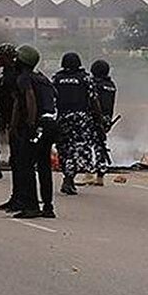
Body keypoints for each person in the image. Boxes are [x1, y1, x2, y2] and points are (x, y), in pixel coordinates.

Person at [10, 45, 57, 219]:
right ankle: (48, 207)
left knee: (26, 165)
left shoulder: (24, 78)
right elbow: (54, 97)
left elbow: (29, 98)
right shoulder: (43, 78)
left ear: (22, 61)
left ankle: (31, 206)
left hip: (38, 125)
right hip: (51, 123)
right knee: (44, 165)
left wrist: (29, 124)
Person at [52, 52, 98, 195]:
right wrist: (99, 120)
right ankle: (69, 178)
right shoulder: (85, 78)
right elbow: (94, 100)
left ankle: (68, 176)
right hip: (81, 119)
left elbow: (51, 99)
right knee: (78, 149)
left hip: (62, 118)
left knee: (64, 149)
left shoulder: (57, 78)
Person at [0, 43, 23, 212]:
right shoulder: (6, 75)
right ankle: (16, 197)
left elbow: (16, 102)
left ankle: (20, 199)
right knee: (15, 162)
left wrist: (12, 125)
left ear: (8, 58)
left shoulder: (13, 76)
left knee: (19, 162)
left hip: (17, 125)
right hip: (11, 122)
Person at [90, 59, 117, 186]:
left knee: (87, 145)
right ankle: (100, 176)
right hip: (106, 119)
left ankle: (88, 174)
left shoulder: (94, 84)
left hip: (94, 117)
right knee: (100, 146)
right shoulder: (111, 85)